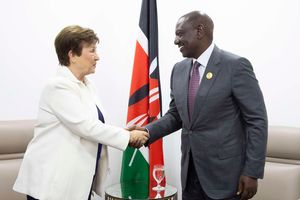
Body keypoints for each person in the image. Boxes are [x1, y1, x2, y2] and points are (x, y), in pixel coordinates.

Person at [130, 11, 268, 200]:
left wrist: (252, 172)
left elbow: (257, 121)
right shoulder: (179, 70)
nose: (175, 41)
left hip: (226, 177)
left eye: (180, 34)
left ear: (199, 31)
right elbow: (175, 115)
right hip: (190, 175)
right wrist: (147, 131)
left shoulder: (235, 66)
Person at [13, 25, 149, 200]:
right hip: (52, 185)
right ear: (72, 55)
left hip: (77, 182)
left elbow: (94, 125)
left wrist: (124, 132)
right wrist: (127, 138)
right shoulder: (57, 86)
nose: (97, 56)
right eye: (92, 51)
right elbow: (86, 127)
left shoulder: (86, 85)